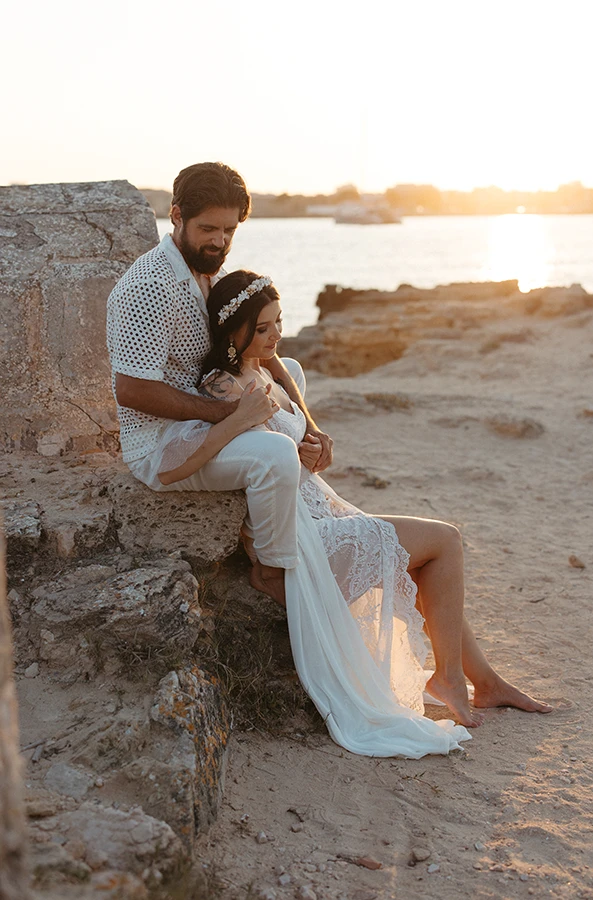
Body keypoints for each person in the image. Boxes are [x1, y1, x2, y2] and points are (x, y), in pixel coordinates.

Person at [158, 269, 553, 758]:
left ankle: (483, 681)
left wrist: (314, 443)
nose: (275, 335)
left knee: (432, 553)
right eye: (262, 328)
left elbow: (292, 429)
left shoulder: (268, 370)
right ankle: (451, 680)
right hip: (301, 539)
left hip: (324, 512)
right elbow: (237, 455)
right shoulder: (222, 387)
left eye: (279, 322)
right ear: (231, 332)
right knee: (445, 541)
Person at [106, 162, 332, 607]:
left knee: (290, 373)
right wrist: (231, 415)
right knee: (274, 454)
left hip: (214, 400)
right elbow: (131, 390)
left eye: (229, 230)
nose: (219, 242)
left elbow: (261, 353)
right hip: (161, 440)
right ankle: (270, 570)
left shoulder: (209, 270)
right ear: (175, 215)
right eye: (208, 228)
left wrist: (311, 426)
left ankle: (304, 500)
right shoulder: (150, 287)